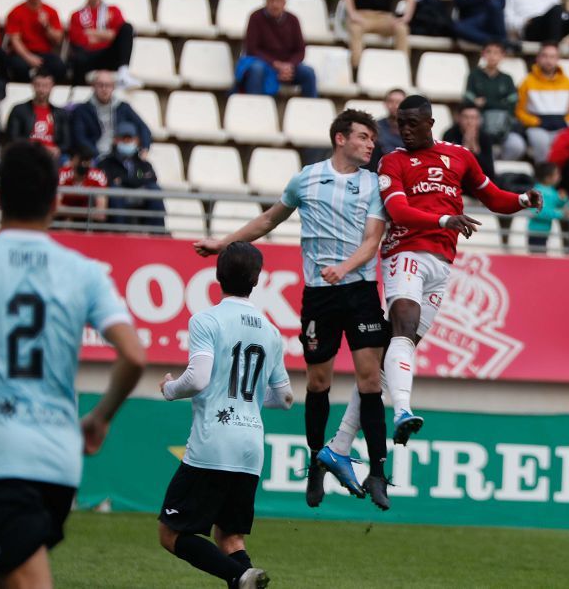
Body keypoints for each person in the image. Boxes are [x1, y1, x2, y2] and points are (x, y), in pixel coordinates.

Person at [0, 140, 146, 589]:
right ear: (55, 202)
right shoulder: (85, 270)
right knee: (6, 573)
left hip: (0, 457)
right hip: (61, 462)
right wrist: (100, 418)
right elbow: (133, 355)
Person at [194, 110, 392, 511]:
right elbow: (269, 218)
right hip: (320, 294)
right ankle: (318, 461)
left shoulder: (374, 184)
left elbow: (373, 241)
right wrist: (223, 243)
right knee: (318, 382)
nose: (371, 144)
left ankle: (377, 471)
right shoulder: (306, 178)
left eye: (372, 138)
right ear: (341, 138)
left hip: (360, 291)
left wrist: (345, 267)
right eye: (363, 137)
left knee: (370, 380)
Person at [375, 95, 543, 445]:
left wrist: (523, 200)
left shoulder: (460, 156)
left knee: (387, 364)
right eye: (399, 124)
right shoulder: (392, 162)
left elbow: (493, 197)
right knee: (402, 331)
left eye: (411, 124)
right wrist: (445, 218)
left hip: (442, 264)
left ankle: (340, 445)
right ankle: (403, 411)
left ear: (430, 124)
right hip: (405, 253)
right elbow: (399, 211)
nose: (403, 130)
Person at [158, 242, 289, 589]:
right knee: (230, 538)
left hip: (214, 442)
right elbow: (285, 397)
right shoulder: (272, 331)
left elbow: (198, 378)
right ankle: (245, 578)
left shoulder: (207, 319)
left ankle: (239, 575)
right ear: (257, 279)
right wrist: (251, 402)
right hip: (250, 447)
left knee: (171, 533)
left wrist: (170, 389)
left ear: (217, 276)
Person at [236, 0, 317, 97]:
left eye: (278, 1)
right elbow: (252, 49)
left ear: (284, 3)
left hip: (288, 67)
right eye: (271, 0)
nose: (275, 4)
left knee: (308, 73)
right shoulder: (255, 17)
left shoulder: (293, 20)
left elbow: (300, 50)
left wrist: (289, 66)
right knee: (256, 69)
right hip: (264, 64)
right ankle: (254, 108)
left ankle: (309, 110)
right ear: (266, 1)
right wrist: (276, 64)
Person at [68, 0, 140, 88]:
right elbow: (81, 41)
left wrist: (91, 32)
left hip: (108, 54)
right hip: (89, 57)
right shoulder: (77, 15)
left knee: (127, 27)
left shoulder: (113, 10)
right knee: (79, 57)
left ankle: (123, 73)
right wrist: (106, 34)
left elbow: (117, 35)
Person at [515, 43, 569, 164]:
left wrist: (565, 121)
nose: (548, 60)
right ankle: (543, 176)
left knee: (567, 141)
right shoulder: (527, 81)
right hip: (537, 126)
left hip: (561, 124)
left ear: (557, 59)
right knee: (540, 141)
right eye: (545, 56)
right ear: (538, 58)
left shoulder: (568, 82)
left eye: (552, 57)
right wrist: (536, 121)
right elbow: (519, 111)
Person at [70, 70, 153, 159]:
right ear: (93, 86)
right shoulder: (82, 110)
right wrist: (96, 155)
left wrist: (145, 148)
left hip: (120, 157)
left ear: (113, 87)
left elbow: (144, 128)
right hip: (93, 157)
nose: (104, 89)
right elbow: (80, 138)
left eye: (108, 85)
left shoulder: (123, 107)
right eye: (100, 85)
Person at [97, 123, 165, 229]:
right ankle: (119, 234)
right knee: (115, 192)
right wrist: (138, 180)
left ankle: (157, 232)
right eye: (123, 139)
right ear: (115, 140)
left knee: (154, 190)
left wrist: (123, 180)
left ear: (136, 141)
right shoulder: (106, 162)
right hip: (118, 198)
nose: (127, 142)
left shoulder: (143, 163)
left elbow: (151, 179)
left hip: (140, 195)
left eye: (130, 139)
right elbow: (107, 182)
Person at [463, 41, 523, 160]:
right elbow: (468, 102)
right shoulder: (474, 76)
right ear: (483, 54)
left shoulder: (507, 79)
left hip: (503, 127)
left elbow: (511, 105)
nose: (492, 56)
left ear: (502, 56)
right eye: (489, 52)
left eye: (496, 53)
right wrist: (500, 103)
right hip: (480, 126)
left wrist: (485, 103)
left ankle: (500, 170)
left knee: (517, 145)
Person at [6, 0, 66, 83]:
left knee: (59, 66)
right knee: (18, 66)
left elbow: (58, 39)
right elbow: (15, 40)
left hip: (44, 53)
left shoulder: (51, 11)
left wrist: (46, 25)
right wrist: (28, 57)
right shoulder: (16, 12)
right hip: (23, 53)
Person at [7, 68, 70, 160]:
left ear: (52, 86)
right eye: (38, 85)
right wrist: (38, 149)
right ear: (32, 85)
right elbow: (13, 138)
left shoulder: (60, 113)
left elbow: (66, 142)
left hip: (52, 156)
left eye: (45, 86)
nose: (41, 90)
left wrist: (58, 149)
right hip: (27, 153)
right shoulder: (19, 110)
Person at [58, 146, 109, 224]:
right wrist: (85, 212)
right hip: (63, 219)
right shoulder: (61, 174)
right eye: (81, 160)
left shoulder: (98, 176)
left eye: (87, 160)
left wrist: (72, 214)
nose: (83, 164)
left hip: (86, 221)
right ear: (72, 161)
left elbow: (101, 214)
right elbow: (56, 209)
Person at [444, 104, 495, 180]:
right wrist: (464, 150)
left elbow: (490, 172)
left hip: (478, 180)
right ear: (459, 118)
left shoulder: (485, 137)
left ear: (479, 120)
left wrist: (476, 151)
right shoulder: (450, 134)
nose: (470, 122)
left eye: (473, 118)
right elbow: (446, 165)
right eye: (466, 117)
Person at [526, 162, 567, 253]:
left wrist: (562, 199)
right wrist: (561, 214)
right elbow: (539, 211)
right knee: (537, 259)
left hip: (545, 232)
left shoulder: (552, 191)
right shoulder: (536, 192)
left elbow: (556, 203)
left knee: (541, 257)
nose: (559, 177)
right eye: (557, 174)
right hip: (536, 232)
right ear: (548, 177)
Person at [366, 88, 405, 171]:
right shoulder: (375, 126)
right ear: (385, 104)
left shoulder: (412, 129)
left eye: (399, 102)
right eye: (391, 101)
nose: (395, 105)